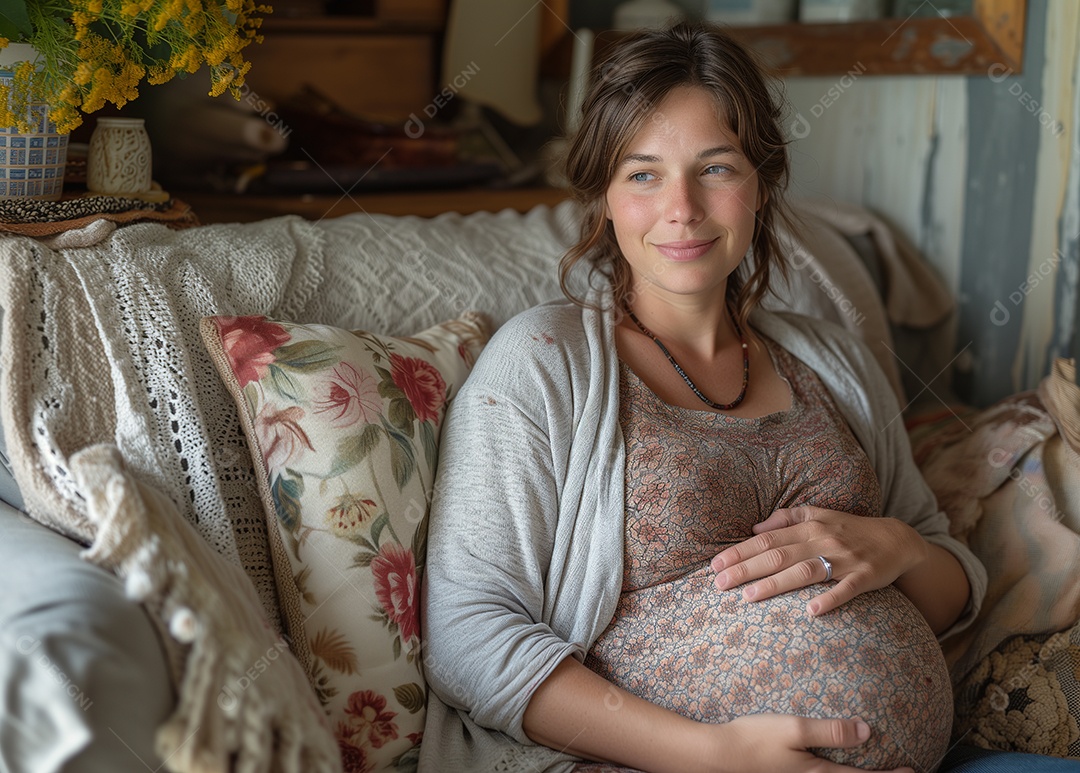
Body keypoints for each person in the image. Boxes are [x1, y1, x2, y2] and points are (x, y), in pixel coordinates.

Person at [419, 21, 1080, 773]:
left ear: (760, 182)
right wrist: (714, 753)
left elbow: (953, 589)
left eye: (716, 167)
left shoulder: (833, 358)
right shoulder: (543, 362)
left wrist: (901, 547)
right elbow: (468, 637)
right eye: (642, 174)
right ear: (602, 198)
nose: (683, 207)